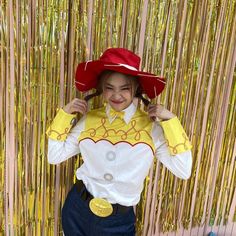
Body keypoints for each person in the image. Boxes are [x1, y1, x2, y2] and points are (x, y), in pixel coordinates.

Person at [46, 48, 192, 236]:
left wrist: (171, 121)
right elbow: (54, 156)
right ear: (101, 88)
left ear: (136, 88)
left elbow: (183, 170)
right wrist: (64, 115)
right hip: (77, 211)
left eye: (124, 88)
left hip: (118, 222)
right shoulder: (89, 120)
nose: (117, 95)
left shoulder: (151, 128)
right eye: (109, 88)